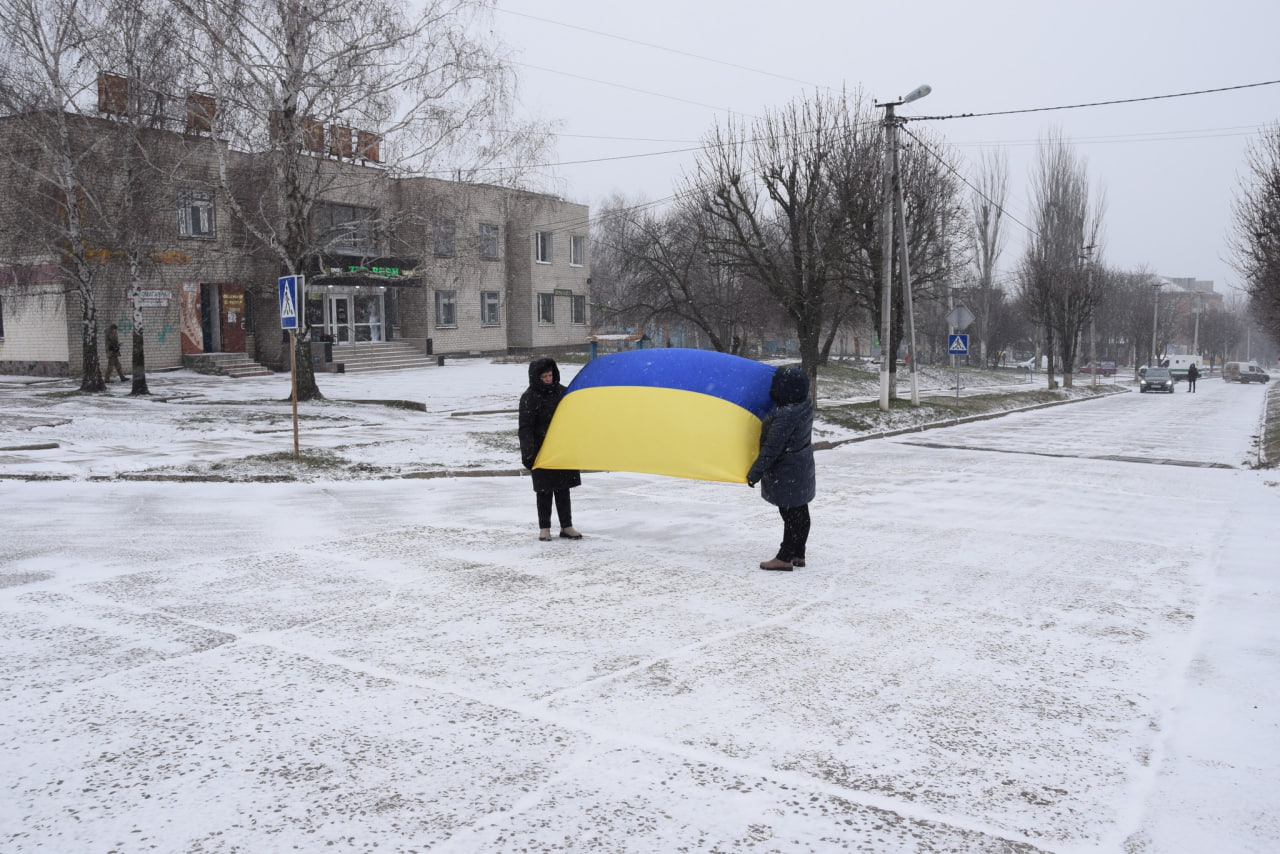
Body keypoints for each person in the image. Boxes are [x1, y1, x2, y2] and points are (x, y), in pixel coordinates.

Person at [746, 365, 815, 571]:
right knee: (800, 512)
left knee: (791, 516)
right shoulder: (804, 404)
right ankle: (798, 553)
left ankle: (785, 557)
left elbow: (772, 448)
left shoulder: (786, 414)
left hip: (786, 471)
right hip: (800, 467)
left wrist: (755, 473)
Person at [518, 357, 583, 541]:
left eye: (550, 374)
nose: (548, 379)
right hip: (541, 451)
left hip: (562, 449)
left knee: (563, 490)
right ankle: (544, 528)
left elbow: (574, 420)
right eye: (544, 376)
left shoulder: (562, 393)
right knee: (544, 491)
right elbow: (525, 428)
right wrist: (528, 453)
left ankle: (566, 526)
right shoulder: (529, 398)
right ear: (536, 377)